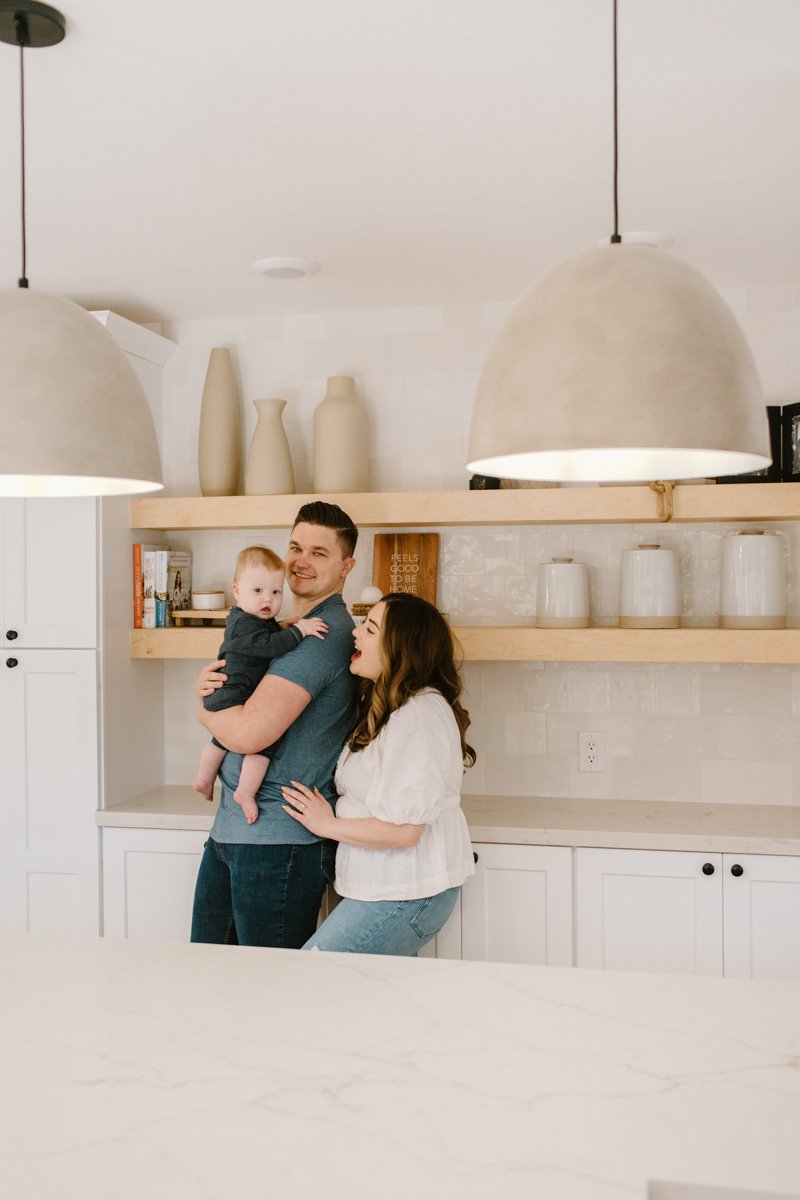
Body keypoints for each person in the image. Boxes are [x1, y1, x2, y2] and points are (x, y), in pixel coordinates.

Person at [190, 501, 358, 949]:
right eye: (295, 547)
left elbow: (248, 734)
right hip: (237, 831)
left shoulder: (321, 636)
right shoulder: (282, 628)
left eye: (319, 553)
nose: (301, 560)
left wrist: (204, 707)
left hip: (277, 843)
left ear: (347, 566)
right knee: (213, 985)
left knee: (269, 997)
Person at [281, 592, 476, 956]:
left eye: (370, 629)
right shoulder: (390, 707)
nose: (356, 634)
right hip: (391, 890)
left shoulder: (419, 715)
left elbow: (405, 831)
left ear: (399, 649)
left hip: (407, 894)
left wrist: (326, 825)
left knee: (310, 977)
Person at [193, 545, 328, 824]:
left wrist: (282, 626)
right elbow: (268, 646)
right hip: (233, 695)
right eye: (258, 591)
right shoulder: (243, 625)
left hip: (227, 694)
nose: (268, 599)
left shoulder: (250, 620)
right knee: (264, 743)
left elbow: (266, 635)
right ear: (237, 591)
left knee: (220, 740)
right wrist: (299, 631)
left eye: (276, 592)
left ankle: (204, 779)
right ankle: (245, 791)